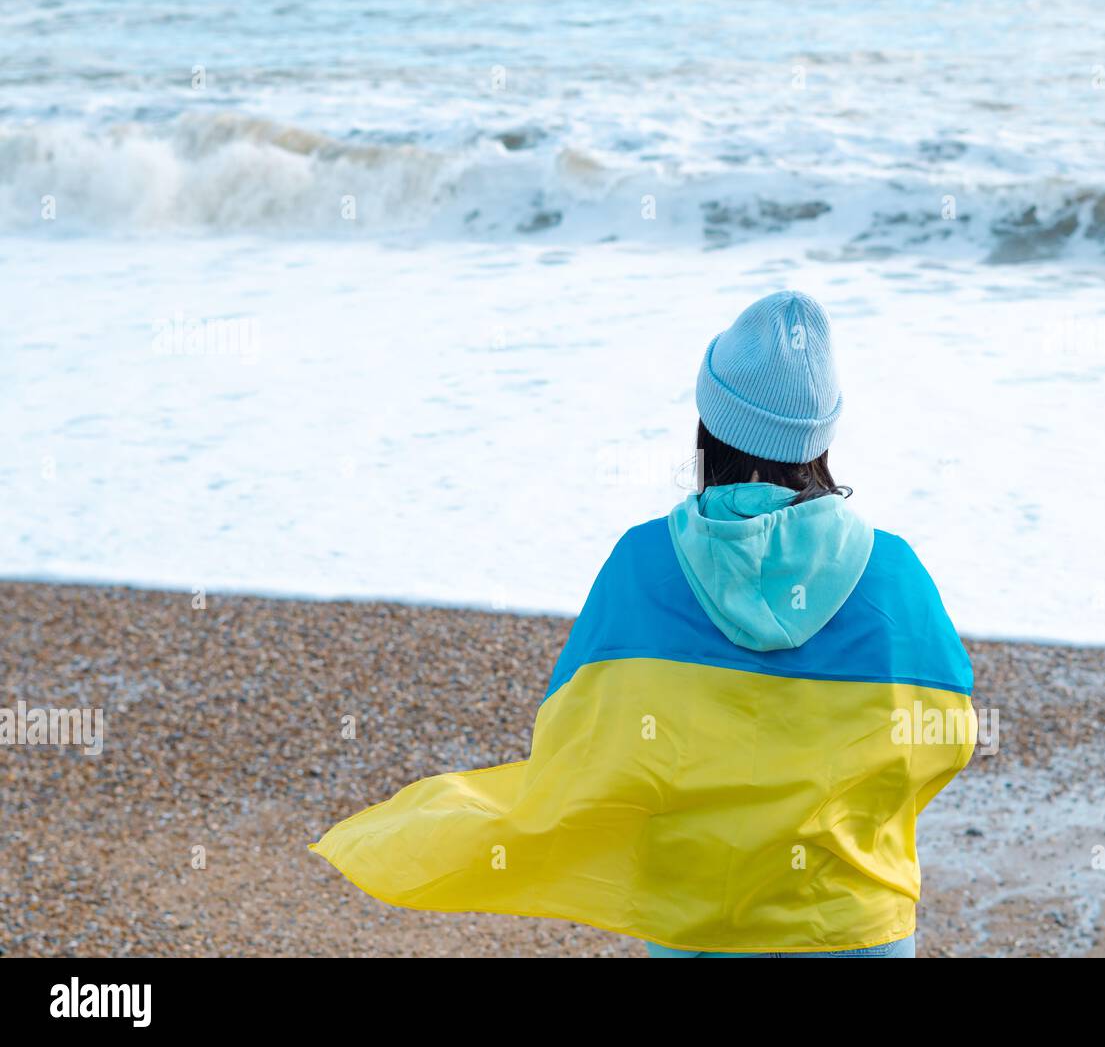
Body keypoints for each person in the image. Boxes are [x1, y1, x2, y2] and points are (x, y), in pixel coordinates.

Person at [312, 290, 976, 957]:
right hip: (853, 919)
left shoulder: (643, 562)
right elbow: (948, 734)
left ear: (709, 425)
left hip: (693, 920)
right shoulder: (893, 572)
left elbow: (578, 732)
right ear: (824, 434)